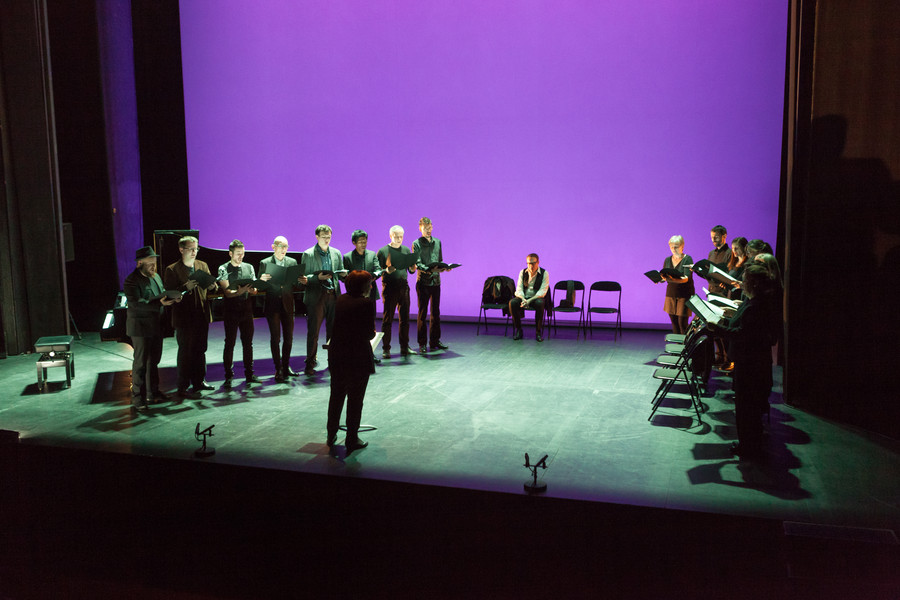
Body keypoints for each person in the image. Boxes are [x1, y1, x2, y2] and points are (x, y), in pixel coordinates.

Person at [706, 264, 778, 460]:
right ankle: (747, 445)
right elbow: (741, 325)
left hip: (751, 365)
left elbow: (741, 334)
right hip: (748, 363)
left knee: (747, 409)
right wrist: (726, 318)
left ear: (753, 284)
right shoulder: (754, 302)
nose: (741, 284)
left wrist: (717, 328)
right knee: (746, 408)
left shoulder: (756, 306)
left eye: (745, 281)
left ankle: (749, 449)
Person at [124, 246, 182, 412]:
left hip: (156, 325)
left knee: (154, 361)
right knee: (141, 364)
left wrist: (172, 298)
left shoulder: (156, 277)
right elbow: (136, 303)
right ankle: (138, 398)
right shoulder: (131, 280)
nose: (153, 266)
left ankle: (153, 392)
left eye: (154, 262)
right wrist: (159, 303)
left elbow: (161, 293)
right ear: (140, 263)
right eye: (150, 263)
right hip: (140, 328)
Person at [326, 270, 377, 456]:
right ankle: (351, 439)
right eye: (369, 284)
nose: (371, 286)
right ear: (364, 286)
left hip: (337, 354)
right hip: (357, 358)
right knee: (355, 400)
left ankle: (331, 433)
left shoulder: (341, 299)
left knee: (336, 396)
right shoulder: (366, 303)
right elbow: (369, 334)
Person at [163, 235, 217, 398]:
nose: (194, 252)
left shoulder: (202, 265)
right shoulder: (172, 269)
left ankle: (199, 381)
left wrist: (212, 286)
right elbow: (169, 293)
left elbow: (212, 288)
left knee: (200, 350)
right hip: (184, 318)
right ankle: (183, 386)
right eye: (191, 249)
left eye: (196, 248)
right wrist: (184, 287)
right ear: (181, 250)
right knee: (185, 352)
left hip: (201, 315)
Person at [300, 225, 344, 377]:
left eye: (329, 237)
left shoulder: (336, 253)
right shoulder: (308, 254)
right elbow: (303, 277)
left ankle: (333, 361)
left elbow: (339, 272)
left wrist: (343, 275)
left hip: (333, 295)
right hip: (316, 296)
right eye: (324, 237)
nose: (326, 240)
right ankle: (310, 363)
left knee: (333, 332)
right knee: (314, 332)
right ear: (317, 237)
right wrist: (317, 278)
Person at [216, 239, 260, 388]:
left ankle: (249, 374)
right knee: (230, 343)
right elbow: (227, 292)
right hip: (231, 310)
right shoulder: (223, 268)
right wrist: (239, 292)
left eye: (243, 253)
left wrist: (253, 290)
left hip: (246, 309)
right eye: (238, 254)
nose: (241, 256)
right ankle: (228, 376)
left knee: (248, 343)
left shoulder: (249, 267)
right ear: (230, 253)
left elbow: (255, 288)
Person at [259, 235, 301, 382]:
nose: (284, 249)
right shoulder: (265, 263)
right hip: (273, 305)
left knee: (289, 338)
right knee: (275, 338)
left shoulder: (292, 262)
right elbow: (260, 286)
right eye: (281, 246)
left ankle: (286, 366)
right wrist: (261, 280)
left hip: (288, 304)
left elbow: (296, 284)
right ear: (273, 247)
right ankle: (278, 368)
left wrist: (302, 280)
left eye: (286, 247)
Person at [376, 225, 418, 358]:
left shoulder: (405, 250)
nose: (399, 239)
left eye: (401, 237)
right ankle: (386, 348)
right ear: (390, 236)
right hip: (389, 287)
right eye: (396, 236)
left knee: (405, 319)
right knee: (387, 319)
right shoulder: (383, 251)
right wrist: (386, 270)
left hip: (403, 286)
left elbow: (410, 270)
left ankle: (404, 347)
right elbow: (377, 270)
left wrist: (413, 268)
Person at [413, 217, 451, 353]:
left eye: (430, 228)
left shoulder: (438, 242)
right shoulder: (416, 243)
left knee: (436, 313)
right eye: (425, 228)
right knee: (422, 313)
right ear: (420, 228)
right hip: (423, 282)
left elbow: (439, 260)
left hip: (436, 282)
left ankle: (435, 341)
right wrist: (429, 270)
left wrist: (444, 268)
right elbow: (417, 263)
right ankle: (422, 343)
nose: (428, 230)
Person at [343, 230, 383, 363]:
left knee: (370, 325)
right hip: (354, 297)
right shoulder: (347, 257)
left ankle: (370, 353)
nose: (363, 244)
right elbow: (345, 278)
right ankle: (354, 353)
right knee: (354, 325)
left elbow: (378, 269)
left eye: (365, 241)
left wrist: (375, 275)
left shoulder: (372, 254)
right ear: (354, 242)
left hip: (370, 295)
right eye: (360, 242)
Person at [509, 253, 549, 342]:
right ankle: (519, 330)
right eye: (528, 263)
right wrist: (523, 299)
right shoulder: (522, 272)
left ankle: (538, 332)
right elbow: (519, 288)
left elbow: (543, 291)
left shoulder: (544, 273)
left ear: (538, 262)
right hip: (524, 297)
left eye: (533, 263)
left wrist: (529, 300)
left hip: (536, 298)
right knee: (512, 303)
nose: (531, 266)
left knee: (540, 303)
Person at [708, 225, 733, 366]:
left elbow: (730, 274)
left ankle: (728, 359)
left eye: (716, 237)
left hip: (723, 294)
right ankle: (719, 355)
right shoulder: (711, 253)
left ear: (724, 236)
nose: (713, 240)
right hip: (712, 291)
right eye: (712, 237)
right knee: (714, 327)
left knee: (723, 327)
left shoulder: (729, 253)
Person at [659, 235, 694, 335]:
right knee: (674, 323)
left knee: (682, 323)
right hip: (671, 294)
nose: (673, 249)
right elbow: (664, 276)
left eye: (676, 247)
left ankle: (685, 344)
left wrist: (672, 279)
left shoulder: (687, 259)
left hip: (684, 295)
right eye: (671, 247)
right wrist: (659, 279)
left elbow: (686, 278)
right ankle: (677, 344)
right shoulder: (667, 260)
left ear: (682, 246)